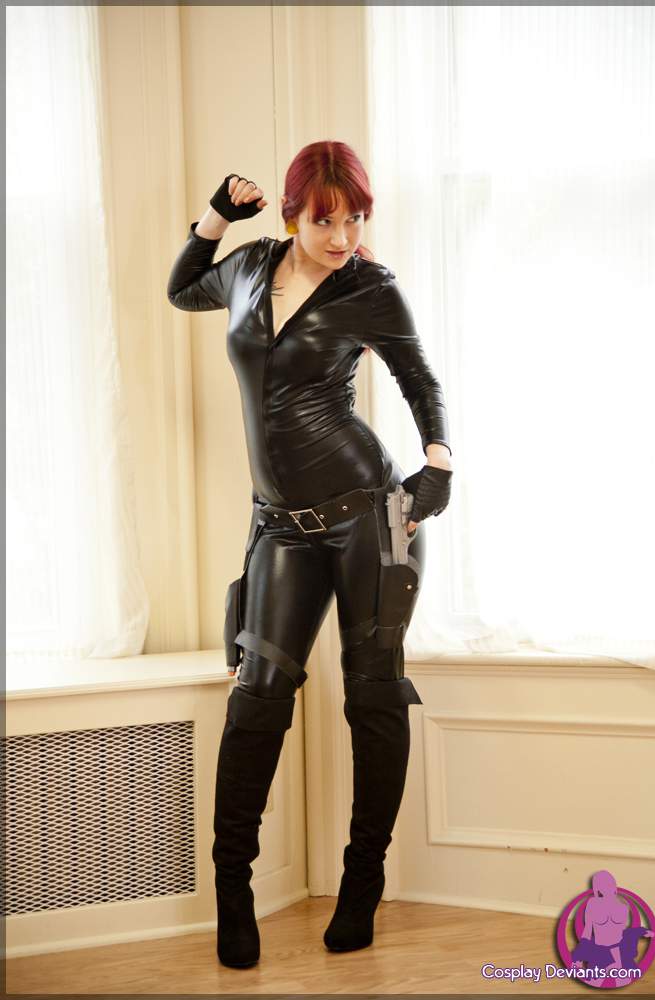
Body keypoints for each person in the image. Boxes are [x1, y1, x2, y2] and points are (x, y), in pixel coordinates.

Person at [167, 140, 453, 969]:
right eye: (326, 220)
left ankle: (362, 884)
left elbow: (418, 380)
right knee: (257, 700)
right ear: (291, 214)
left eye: (355, 218)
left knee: (372, 696)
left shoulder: (370, 287)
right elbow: (183, 287)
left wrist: (437, 463)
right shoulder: (247, 268)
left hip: (369, 516)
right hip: (281, 525)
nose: (342, 236)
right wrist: (216, 216)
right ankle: (233, 896)